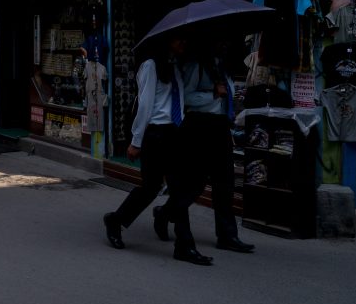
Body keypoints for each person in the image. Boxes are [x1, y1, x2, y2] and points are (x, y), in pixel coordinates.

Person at [102, 35, 213, 266]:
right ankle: (116, 219)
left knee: (179, 189)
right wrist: (136, 141)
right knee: (150, 188)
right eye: (178, 40)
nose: (183, 43)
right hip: (155, 134)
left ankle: (184, 245)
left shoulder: (174, 67)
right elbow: (145, 105)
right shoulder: (150, 66)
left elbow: (179, 101)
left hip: (173, 133)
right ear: (166, 42)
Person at [170, 44, 255, 254]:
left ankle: (227, 235)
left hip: (220, 126)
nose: (222, 47)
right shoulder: (195, 66)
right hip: (199, 124)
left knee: (225, 181)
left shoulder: (222, 66)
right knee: (196, 183)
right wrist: (214, 96)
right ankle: (167, 212)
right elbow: (185, 97)